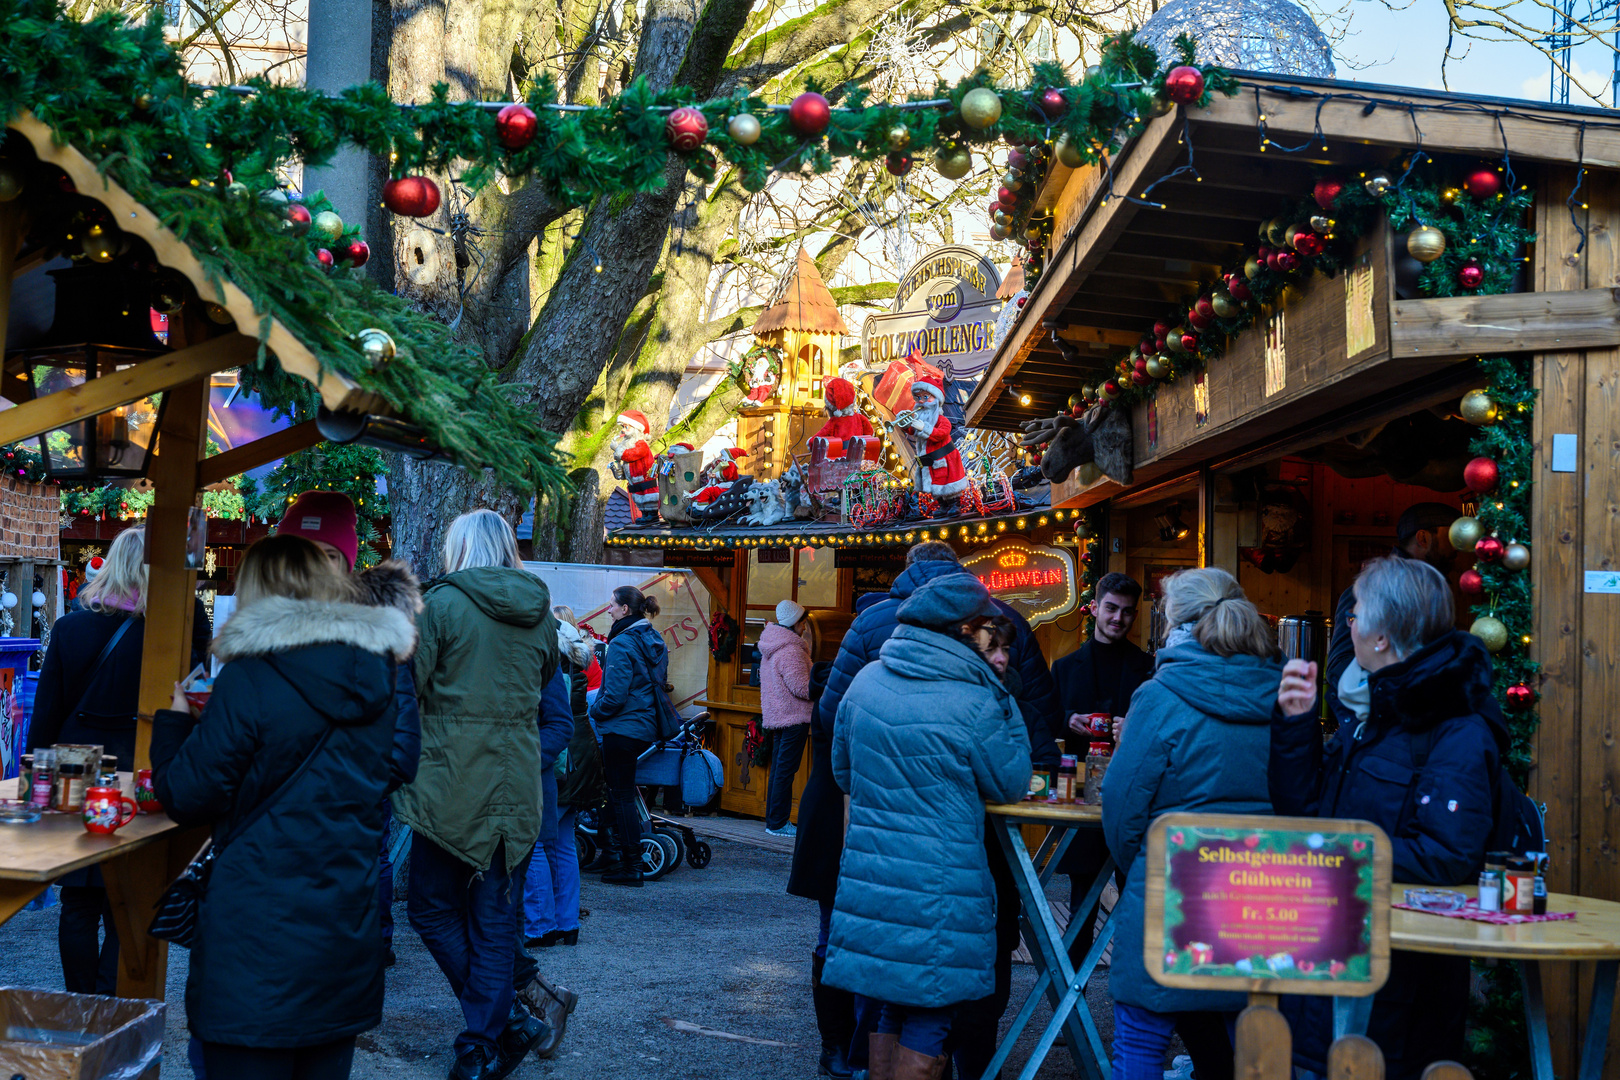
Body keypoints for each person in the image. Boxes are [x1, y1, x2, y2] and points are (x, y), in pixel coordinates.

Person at [151, 533, 416, 1080]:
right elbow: (385, 765)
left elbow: (186, 794)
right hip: (344, 923)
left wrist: (177, 721)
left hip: (257, 934)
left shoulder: (250, 677)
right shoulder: (380, 672)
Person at [815, 540, 1059, 1080]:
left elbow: (843, 773)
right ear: (963, 631)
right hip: (942, 883)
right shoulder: (976, 699)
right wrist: (1005, 700)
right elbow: (1013, 781)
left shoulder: (866, 683)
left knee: (887, 999)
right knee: (930, 1006)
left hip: (872, 879)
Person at [1272, 555, 1506, 1080]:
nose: (1348, 626)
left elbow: (1445, 858)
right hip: (1331, 967)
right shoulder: (1371, 714)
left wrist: (1331, 858)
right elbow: (1304, 817)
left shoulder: (1456, 731)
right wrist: (1295, 727)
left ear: (1381, 638)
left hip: (1396, 998)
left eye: (1355, 616)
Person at [394, 510, 559, 1080]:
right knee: (495, 920)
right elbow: (543, 692)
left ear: (458, 548)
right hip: (517, 786)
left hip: (450, 784)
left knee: (430, 908)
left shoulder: (439, 605)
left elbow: (407, 688)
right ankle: (489, 1034)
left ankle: (493, 1030)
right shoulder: (540, 617)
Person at [1101, 567, 1282, 1080]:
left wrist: (1143, 865)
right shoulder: (1283, 692)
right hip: (1257, 892)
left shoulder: (1159, 696)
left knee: (1140, 1034)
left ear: (1175, 621)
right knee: (1255, 1044)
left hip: (1170, 885)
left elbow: (1121, 805)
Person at [29, 526, 209, 995]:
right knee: (125, 900)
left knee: (78, 901)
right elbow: (199, 693)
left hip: (77, 773)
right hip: (142, 772)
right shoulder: (171, 631)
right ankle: (111, 1001)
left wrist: (37, 781)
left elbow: (46, 712)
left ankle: (80, 1001)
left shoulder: (71, 627)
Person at [273, 490, 423, 969]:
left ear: (348, 562)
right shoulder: (264, 631)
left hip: (347, 816)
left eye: (328, 555)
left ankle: (371, 947)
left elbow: (402, 747)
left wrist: (347, 792)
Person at [1049, 572, 1152, 964]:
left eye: (1127, 612)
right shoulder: (1064, 666)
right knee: (1081, 901)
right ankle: (1072, 998)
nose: (1118, 618)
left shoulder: (1149, 667)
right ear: (1094, 608)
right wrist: (1067, 720)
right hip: (1079, 795)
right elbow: (1046, 719)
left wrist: (1136, 727)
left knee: (1137, 903)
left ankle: (1131, 996)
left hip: (1132, 797)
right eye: (1111, 608)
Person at [1324, 502, 1456, 725]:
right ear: (1423, 538)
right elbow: (1338, 665)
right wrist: (1387, 703)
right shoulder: (1371, 590)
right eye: (1452, 536)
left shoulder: (1437, 590)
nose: (1457, 546)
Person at [587, 584, 669, 887]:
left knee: (619, 795)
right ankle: (611, 854)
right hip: (643, 726)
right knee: (617, 793)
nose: (608, 610)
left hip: (622, 727)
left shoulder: (622, 643)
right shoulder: (653, 638)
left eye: (611, 605)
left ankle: (631, 865)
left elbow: (615, 696)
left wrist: (594, 711)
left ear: (625, 610)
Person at [525, 608, 594, 948]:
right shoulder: (576, 663)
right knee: (562, 842)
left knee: (536, 843)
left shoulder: (545, 662)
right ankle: (566, 922)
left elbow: (554, 721)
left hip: (556, 764)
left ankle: (541, 924)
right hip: (578, 760)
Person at [760, 599, 814, 837]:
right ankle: (778, 823)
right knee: (785, 771)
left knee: (779, 771)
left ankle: (773, 820)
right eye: (804, 623)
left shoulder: (772, 645)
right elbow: (802, 688)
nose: (805, 628)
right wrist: (822, 681)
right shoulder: (791, 650)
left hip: (778, 715)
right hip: (794, 716)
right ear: (796, 623)